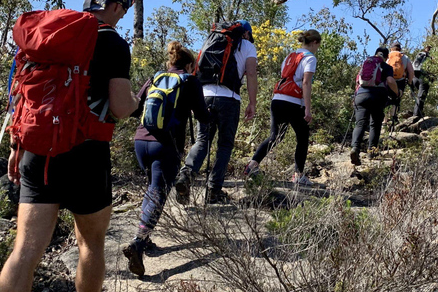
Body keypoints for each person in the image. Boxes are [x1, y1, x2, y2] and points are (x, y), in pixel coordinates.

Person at [0, 0, 139, 292]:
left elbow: (25, 97)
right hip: (86, 154)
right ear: (116, 5)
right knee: (90, 242)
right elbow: (122, 108)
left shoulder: (51, 35)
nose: (124, 13)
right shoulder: (112, 43)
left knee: (25, 250)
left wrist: (17, 146)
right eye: (123, 7)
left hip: (37, 153)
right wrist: (138, 99)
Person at [122, 42, 210, 277]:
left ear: (170, 63)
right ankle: (138, 242)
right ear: (191, 65)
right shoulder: (190, 81)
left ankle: (145, 239)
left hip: (141, 141)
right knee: (157, 193)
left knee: (152, 189)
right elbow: (203, 116)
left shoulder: (156, 78)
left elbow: (134, 107)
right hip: (166, 145)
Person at [174, 20, 258, 204]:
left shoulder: (212, 41)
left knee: (203, 140)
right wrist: (252, 102)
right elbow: (251, 73)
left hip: (204, 96)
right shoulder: (248, 46)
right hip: (230, 99)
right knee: (225, 145)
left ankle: (185, 176)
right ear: (246, 33)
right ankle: (214, 190)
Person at [244, 29, 320, 185]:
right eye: (318, 45)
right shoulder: (310, 58)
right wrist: (307, 108)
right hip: (293, 102)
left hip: (277, 100)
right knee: (303, 138)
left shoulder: (289, 56)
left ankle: (252, 164)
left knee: (275, 136)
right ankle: (298, 175)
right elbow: (306, 83)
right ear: (314, 43)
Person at [350, 47, 399, 166]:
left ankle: (355, 148)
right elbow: (390, 81)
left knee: (360, 123)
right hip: (378, 96)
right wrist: (397, 93)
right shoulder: (385, 66)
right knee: (375, 123)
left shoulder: (365, 65)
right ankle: (372, 151)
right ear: (387, 57)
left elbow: (357, 81)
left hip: (361, 95)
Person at [386, 41, 416, 124]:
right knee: (396, 98)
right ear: (400, 49)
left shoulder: (388, 56)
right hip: (400, 80)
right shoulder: (405, 57)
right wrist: (409, 82)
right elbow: (411, 71)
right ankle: (393, 118)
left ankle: (384, 120)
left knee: (387, 99)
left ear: (391, 48)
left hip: (389, 80)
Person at [411, 45, 432, 118]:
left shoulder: (419, 54)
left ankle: (417, 113)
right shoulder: (429, 57)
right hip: (423, 78)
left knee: (419, 96)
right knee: (421, 96)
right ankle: (416, 115)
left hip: (414, 77)